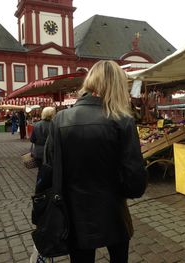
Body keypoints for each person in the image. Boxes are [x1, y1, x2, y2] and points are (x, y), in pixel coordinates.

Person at [43, 60, 147, 263]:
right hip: (113, 209)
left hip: (73, 212)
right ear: (116, 85)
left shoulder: (60, 119)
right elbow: (134, 179)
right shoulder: (122, 120)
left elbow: (49, 167)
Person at [30, 107, 56, 184]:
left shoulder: (36, 125)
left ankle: (39, 188)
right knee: (51, 171)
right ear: (52, 114)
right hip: (50, 152)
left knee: (41, 171)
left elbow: (32, 140)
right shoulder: (54, 125)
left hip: (38, 153)